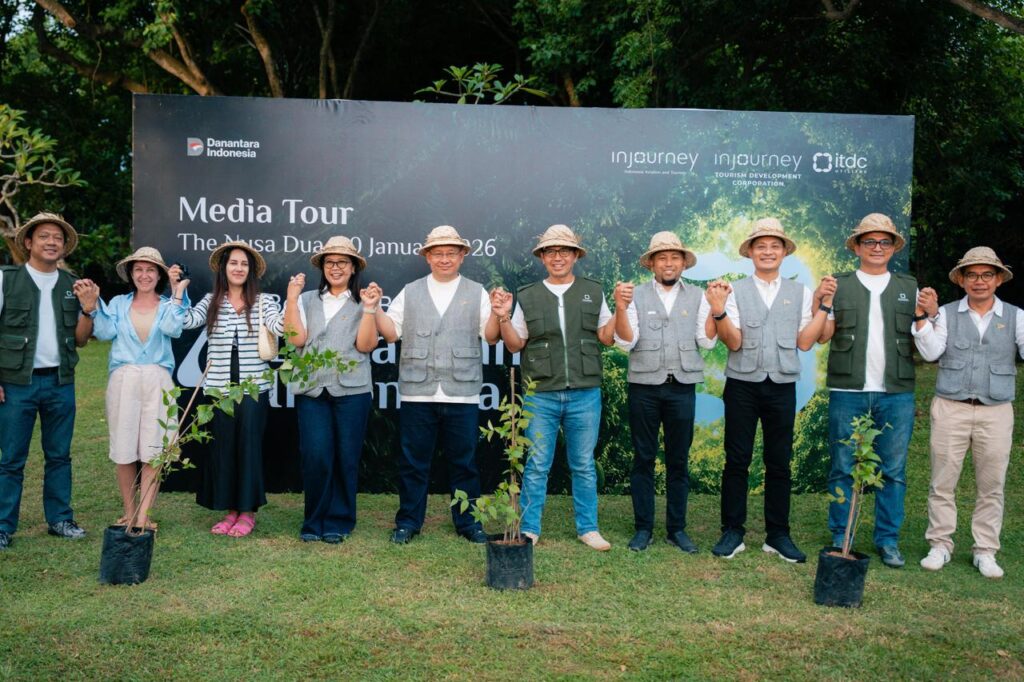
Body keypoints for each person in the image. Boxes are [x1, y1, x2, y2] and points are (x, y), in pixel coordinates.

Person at [705, 218, 835, 563]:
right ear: (750, 252)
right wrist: (719, 312)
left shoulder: (800, 292)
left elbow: (805, 342)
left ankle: (777, 535)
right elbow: (733, 342)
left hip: (782, 385)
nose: (767, 251)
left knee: (779, 462)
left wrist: (823, 306)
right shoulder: (733, 291)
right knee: (737, 460)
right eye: (760, 246)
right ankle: (732, 531)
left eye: (774, 246)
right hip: (742, 385)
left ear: (784, 252)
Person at [371, 225, 500, 544]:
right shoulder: (410, 291)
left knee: (464, 463)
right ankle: (408, 522)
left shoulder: (477, 292)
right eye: (438, 253)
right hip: (418, 391)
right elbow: (391, 333)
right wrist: (373, 309)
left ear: (462, 256)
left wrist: (499, 314)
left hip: (463, 392)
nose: (444, 259)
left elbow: (491, 336)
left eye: (451, 253)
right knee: (413, 462)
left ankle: (469, 523)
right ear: (427, 257)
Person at [492, 224, 616, 550]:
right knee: (537, 465)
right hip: (541, 394)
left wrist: (623, 308)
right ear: (542, 257)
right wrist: (503, 317)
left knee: (583, 465)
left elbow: (607, 337)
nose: (557, 257)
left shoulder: (594, 291)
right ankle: (529, 528)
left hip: (585, 392)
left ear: (575, 255)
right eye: (550, 251)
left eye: (564, 251)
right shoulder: (528, 295)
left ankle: (588, 528)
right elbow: (515, 344)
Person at [819, 213, 923, 568]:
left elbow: (924, 339)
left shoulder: (909, 286)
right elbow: (823, 335)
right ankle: (841, 534)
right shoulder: (838, 284)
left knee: (893, 470)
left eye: (884, 242)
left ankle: (888, 539)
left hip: (896, 392)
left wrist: (929, 313)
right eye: (869, 241)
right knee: (842, 466)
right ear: (857, 247)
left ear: (893, 247)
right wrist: (822, 302)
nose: (877, 247)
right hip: (848, 390)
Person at [913, 247, 1021, 579]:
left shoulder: (1016, 316)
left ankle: (985, 550)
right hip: (951, 407)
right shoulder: (945, 313)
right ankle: (940, 544)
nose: (979, 281)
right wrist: (923, 318)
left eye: (987, 274)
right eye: (971, 274)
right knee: (942, 481)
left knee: (992, 484)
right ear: (961, 280)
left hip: (996, 410)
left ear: (998, 279)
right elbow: (931, 352)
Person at [612, 232, 716, 553]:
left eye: (674, 257)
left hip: (682, 387)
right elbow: (626, 342)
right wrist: (620, 306)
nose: (668, 263)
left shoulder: (698, 296)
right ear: (651, 264)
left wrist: (716, 309)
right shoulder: (635, 295)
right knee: (643, 458)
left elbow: (707, 340)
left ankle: (677, 529)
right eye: (662, 258)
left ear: (683, 263)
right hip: (644, 387)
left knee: (678, 460)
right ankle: (643, 528)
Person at [0, 212, 97, 551]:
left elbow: (81, 340)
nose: (52, 242)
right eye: (44, 236)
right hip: (16, 383)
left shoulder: (73, 284)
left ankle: (60, 519)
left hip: (59, 382)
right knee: (11, 458)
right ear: (28, 242)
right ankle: (3, 526)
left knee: (59, 455)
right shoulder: (6, 279)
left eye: (58, 237)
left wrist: (88, 309)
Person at [182, 241, 284, 538]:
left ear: (251, 271)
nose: (238, 268)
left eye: (244, 264)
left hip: (253, 388)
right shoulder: (211, 300)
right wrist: (178, 291)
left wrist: (291, 299)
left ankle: (247, 512)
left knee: (249, 447)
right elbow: (186, 321)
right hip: (219, 389)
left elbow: (280, 328)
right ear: (224, 268)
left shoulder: (263, 301)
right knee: (223, 448)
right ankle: (229, 510)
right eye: (233, 263)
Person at [283, 236, 378, 544]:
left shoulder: (363, 301)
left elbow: (366, 345)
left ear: (353, 268)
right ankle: (314, 520)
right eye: (330, 262)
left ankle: (339, 520)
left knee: (346, 456)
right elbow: (296, 339)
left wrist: (369, 310)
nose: (336, 268)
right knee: (316, 456)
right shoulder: (306, 299)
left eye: (342, 262)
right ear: (322, 267)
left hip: (353, 390)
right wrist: (291, 298)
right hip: (312, 389)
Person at [92, 247, 190, 531]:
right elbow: (104, 332)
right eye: (138, 270)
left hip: (158, 379)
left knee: (153, 449)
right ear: (131, 274)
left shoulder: (170, 303)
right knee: (124, 449)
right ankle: (129, 512)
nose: (144, 275)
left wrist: (177, 292)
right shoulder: (118, 303)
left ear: (159, 275)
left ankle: (144, 515)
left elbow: (173, 329)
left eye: (150, 270)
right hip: (123, 379)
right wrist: (92, 306)